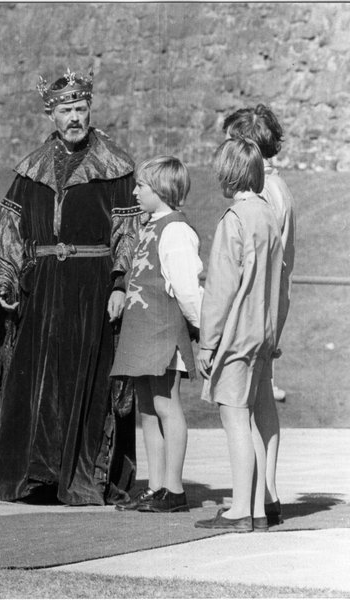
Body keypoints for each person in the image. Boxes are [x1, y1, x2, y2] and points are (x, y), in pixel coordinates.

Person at [0, 68, 141, 506]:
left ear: (90, 110)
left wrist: (120, 283)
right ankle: (38, 476)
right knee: (38, 387)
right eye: (66, 110)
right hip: (43, 291)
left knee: (87, 385)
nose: (75, 118)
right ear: (51, 114)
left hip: (93, 290)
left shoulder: (117, 167)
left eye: (81, 109)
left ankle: (85, 477)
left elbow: (129, 232)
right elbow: (9, 231)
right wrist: (6, 279)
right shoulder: (30, 169)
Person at [195, 138, 286, 533]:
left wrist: (207, 341)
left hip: (235, 334)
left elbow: (220, 289)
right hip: (263, 334)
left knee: (234, 421)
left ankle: (240, 511)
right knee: (252, 421)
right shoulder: (268, 215)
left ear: (228, 173)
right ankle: (259, 508)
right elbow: (281, 286)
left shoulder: (234, 219)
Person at [111, 156, 203, 513]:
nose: (134, 192)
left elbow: (186, 287)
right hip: (142, 332)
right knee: (148, 411)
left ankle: (175, 489)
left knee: (167, 406)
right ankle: (156, 486)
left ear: (161, 190)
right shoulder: (150, 225)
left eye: (141, 187)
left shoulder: (176, 230)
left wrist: (201, 327)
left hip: (163, 334)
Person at [223, 104, 296, 526]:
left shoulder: (262, 191)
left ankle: (251, 499)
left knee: (247, 400)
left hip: (256, 303)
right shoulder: (280, 187)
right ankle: (266, 491)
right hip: (273, 300)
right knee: (262, 394)